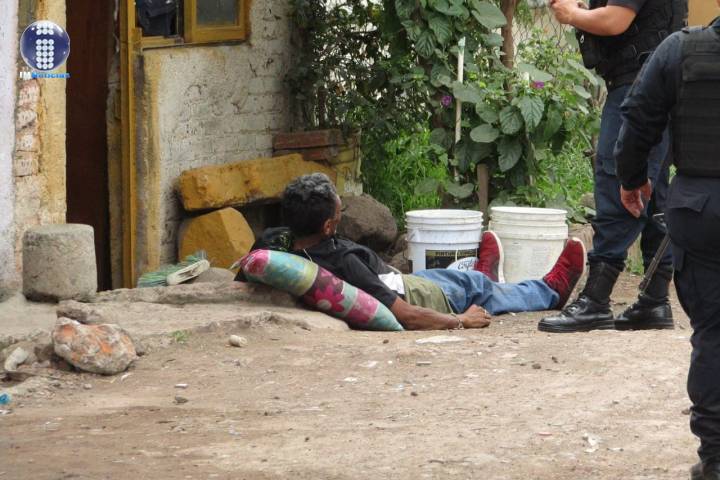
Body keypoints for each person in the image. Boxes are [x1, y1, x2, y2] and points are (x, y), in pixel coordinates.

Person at [245, 173, 586, 331]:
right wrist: (461, 320)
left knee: (460, 278)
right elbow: (406, 315)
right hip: (423, 295)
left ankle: (482, 275)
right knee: (479, 290)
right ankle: (549, 291)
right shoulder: (346, 263)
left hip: (406, 280)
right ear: (328, 227)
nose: (341, 215)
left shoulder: (274, 240)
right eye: (339, 213)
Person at [613, 7, 720, 478]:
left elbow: (637, 120)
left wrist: (630, 178)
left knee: (713, 333)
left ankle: (716, 457)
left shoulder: (681, 49)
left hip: (701, 207)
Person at [538, 0, 687, 333]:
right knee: (655, 192)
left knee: (620, 184)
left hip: (638, 87)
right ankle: (654, 301)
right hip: (660, 85)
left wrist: (572, 15)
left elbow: (616, 20)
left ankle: (596, 300)